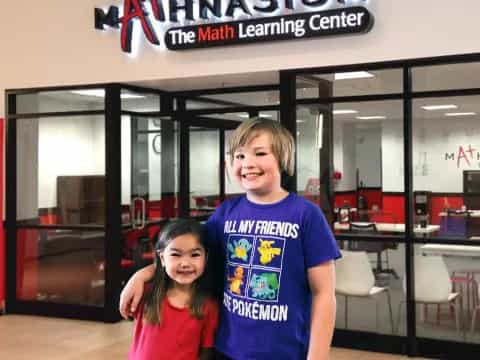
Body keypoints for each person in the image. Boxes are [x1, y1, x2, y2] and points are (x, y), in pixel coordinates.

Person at [121, 118, 341, 360]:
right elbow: (189, 255)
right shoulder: (225, 213)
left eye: (260, 153)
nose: (248, 164)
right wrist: (142, 275)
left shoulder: (306, 215)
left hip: (285, 352)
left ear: (283, 158)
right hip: (227, 350)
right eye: (239, 156)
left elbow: (324, 294)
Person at [128, 219, 218, 360]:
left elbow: (206, 352)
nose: (185, 263)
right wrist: (137, 277)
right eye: (176, 254)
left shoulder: (209, 306)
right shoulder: (145, 292)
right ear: (162, 258)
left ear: (206, 258)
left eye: (194, 255)